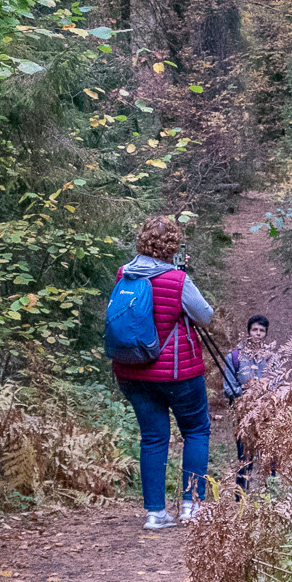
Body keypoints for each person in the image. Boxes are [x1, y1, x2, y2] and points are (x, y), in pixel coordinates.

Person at [110, 215, 215, 530]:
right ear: (173, 246)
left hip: (131, 371)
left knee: (153, 438)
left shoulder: (124, 274)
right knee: (196, 431)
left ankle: (155, 513)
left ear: (142, 240)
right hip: (176, 372)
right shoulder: (178, 280)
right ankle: (191, 506)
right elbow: (205, 316)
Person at [226, 314, 275, 490]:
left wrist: (264, 394)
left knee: (270, 456)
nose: (258, 333)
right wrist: (248, 394)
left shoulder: (271, 357)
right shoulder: (234, 357)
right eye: (255, 329)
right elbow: (229, 388)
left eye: (262, 330)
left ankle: (271, 496)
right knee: (244, 456)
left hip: (267, 413)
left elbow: (276, 384)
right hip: (243, 414)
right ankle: (241, 498)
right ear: (248, 332)